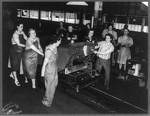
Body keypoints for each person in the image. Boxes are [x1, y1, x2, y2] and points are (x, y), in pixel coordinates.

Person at [41, 35, 61, 107]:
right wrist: (42, 76)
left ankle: (48, 99)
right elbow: (44, 64)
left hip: (54, 68)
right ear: (56, 41)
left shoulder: (55, 47)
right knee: (50, 86)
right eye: (59, 41)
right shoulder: (49, 51)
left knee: (55, 84)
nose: (60, 42)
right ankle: (46, 100)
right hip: (49, 69)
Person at [8, 22, 27, 86]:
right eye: (21, 27)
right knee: (14, 65)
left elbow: (26, 38)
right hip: (14, 50)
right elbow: (18, 44)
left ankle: (12, 74)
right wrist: (26, 46)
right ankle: (16, 80)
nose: (22, 28)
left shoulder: (22, 32)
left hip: (20, 50)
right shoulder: (15, 34)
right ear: (17, 27)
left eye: (23, 27)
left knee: (18, 64)